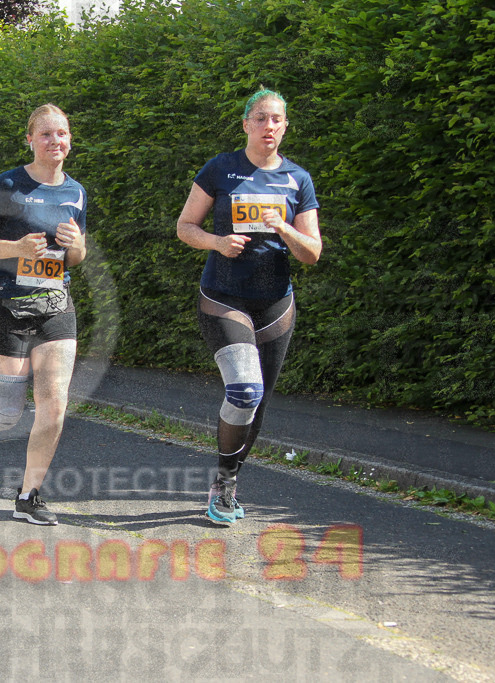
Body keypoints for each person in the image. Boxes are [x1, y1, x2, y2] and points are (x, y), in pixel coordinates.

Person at [176, 88, 322, 525]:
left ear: (286, 127)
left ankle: (228, 481)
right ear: (246, 125)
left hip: (275, 304)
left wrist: (284, 229)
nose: (268, 126)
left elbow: (312, 252)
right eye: (260, 118)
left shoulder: (297, 179)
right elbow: (185, 226)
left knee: (257, 403)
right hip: (223, 297)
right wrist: (217, 242)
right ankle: (223, 484)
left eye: (276, 119)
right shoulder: (221, 168)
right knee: (244, 390)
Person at [0, 104, 87, 526]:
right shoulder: (9, 184)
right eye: (45, 134)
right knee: (6, 414)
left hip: (55, 305)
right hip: (5, 304)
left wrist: (77, 244)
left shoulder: (76, 192)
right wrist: (15, 248)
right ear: (30, 140)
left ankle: (29, 496)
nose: (55, 141)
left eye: (61, 133)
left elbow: (75, 258)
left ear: (70, 139)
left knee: (54, 404)